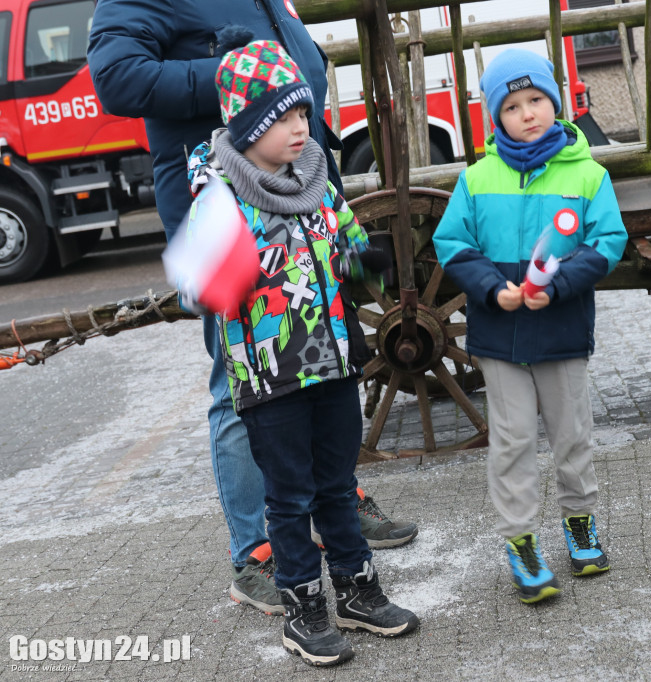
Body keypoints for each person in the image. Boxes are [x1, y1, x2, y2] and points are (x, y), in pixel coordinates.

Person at [87, 3, 418, 617]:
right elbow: (117, 76)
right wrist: (239, 74)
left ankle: (333, 505)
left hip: (299, 185)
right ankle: (257, 551)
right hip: (231, 195)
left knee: (322, 369)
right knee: (239, 385)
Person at [185, 39, 418, 666]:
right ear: (249, 126)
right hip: (271, 380)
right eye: (284, 117)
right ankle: (303, 607)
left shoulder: (314, 175)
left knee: (338, 485)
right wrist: (219, 273)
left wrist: (364, 262)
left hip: (333, 363)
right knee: (289, 497)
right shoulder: (221, 195)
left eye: (302, 114)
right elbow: (199, 288)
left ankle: (356, 589)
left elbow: (347, 240)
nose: (301, 126)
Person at [432, 49, 627, 604]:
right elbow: (452, 243)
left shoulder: (589, 175)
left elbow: (607, 243)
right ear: (496, 117)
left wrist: (557, 285)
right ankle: (520, 541)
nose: (528, 113)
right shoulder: (476, 179)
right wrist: (495, 288)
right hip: (499, 337)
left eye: (537, 99)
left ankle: (580, 523)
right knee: (512, 442)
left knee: (572, 435)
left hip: (562, 333)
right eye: (512, 106)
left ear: (555, 102)